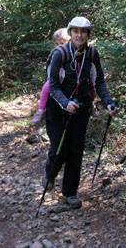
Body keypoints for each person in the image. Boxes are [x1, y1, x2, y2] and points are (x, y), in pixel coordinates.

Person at [42, 16, 119, 209]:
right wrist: (65, 102)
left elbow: (98, 81)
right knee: (60, 147)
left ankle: (69, 193)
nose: (79, 35)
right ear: (70, 33)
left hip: (81, 107)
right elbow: (52, 85)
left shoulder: (92, 54)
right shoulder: (60, 54)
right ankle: (50, 175)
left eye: (83, 32)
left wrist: (108, 102)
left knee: (76, 150)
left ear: (88, 34)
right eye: (76, 31)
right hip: (57, 108)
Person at [31, 28, 71, 124]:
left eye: (62, 43)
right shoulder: (57, 53)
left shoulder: (74, 52)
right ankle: (41, 110)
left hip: (70, 77)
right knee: (45, 88)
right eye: (57, 44)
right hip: (58, 77)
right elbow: (52, 68)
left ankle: (92, 104)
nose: (59, 46)